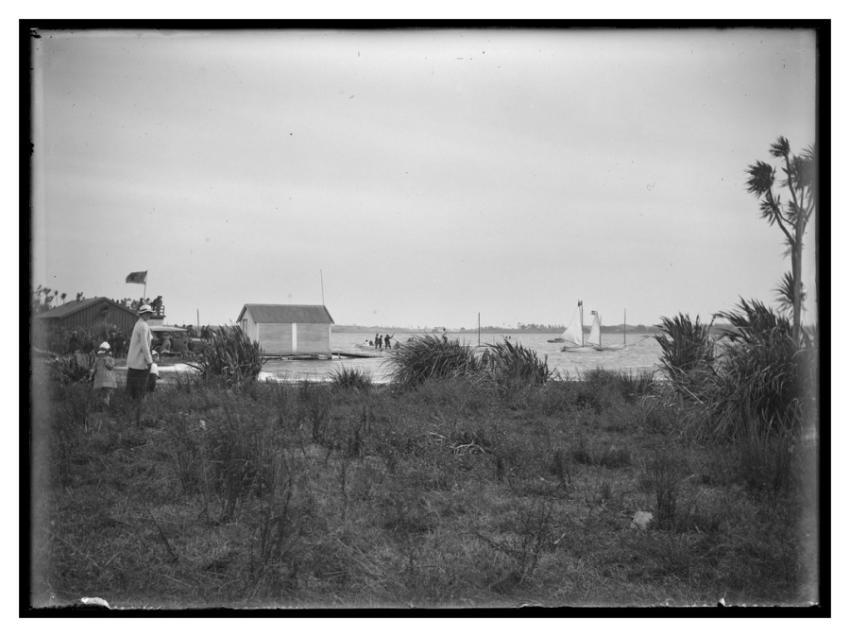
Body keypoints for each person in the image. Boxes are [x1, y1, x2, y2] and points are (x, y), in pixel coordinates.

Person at [126, 304, 155, 400]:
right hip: (140, 363)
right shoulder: (143, 326)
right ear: (142, 314)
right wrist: (149, 360)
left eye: (149, 313)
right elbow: (144, 345)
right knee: (140, 389)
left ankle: (130, 407)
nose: (149, 315)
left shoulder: (138, 324)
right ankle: (138, 408)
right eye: (147, 313)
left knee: (131, 388)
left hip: (133, 362)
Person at [90, 341, 117, 408]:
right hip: (104, 381)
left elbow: (110, 367)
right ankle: (103, 407)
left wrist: (91, 376)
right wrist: (90, 376)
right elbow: (93, 369)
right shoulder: (98, 360)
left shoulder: (109, 359)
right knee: (104, 395)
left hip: (104, 381)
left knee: (105, 395)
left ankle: (104, 408)